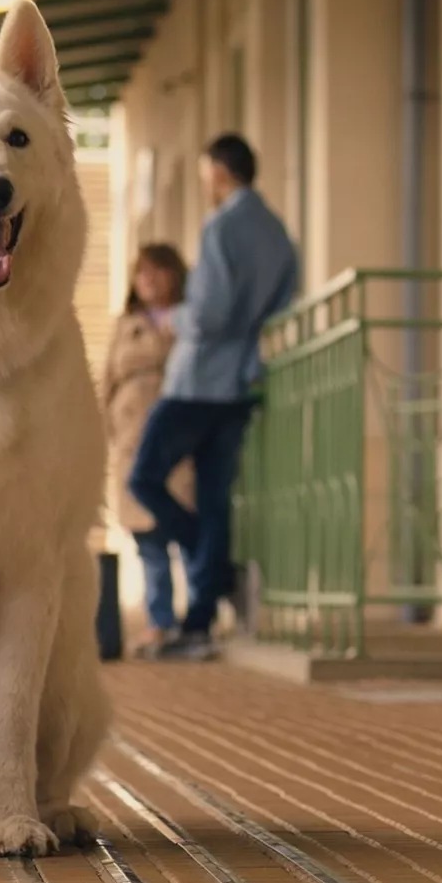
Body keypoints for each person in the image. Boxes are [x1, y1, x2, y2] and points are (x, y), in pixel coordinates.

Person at [128, 134, 298, 661]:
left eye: (206, 177)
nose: (206, 187)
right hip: (242, 382)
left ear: (221, 174)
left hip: (199, 379)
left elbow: (208, 315)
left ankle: (216, 570)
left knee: (144, 479)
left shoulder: (223, 226)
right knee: (214, 499)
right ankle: (200, 620)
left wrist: (174, 318)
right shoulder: (278, 236)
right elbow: (282, 303)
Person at [103, 244, 196, 655]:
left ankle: (196, 622)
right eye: (142, 273)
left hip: (178, 440)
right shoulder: (125, 325)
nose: (149, 280)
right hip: (130, 439)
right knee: (148, 541)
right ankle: (160, 623)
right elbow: (106, 379)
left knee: (185, 530)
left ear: (175, 275)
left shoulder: (189, 318)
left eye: (157, 272)